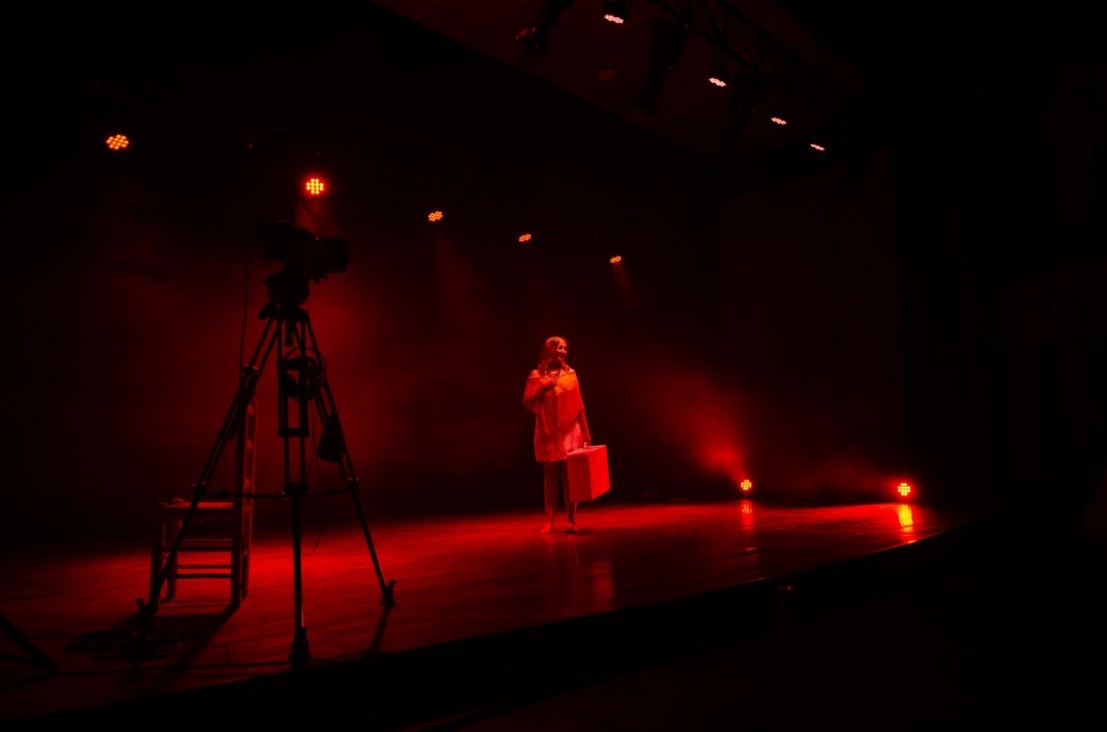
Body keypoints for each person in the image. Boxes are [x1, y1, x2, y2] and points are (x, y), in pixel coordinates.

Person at [523, 335, 592, 535]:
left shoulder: (571, 374)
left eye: (565, 348)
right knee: (550, 478)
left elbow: (579, 405)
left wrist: (586, 430)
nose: (563, 351)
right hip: (547, 429)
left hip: (571, 430)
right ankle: (550, 521)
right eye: (559, 347)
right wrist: (543, 387)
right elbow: (527, 401)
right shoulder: (537, 375)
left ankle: (571, 520)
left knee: (570, 478)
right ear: (550, 350)